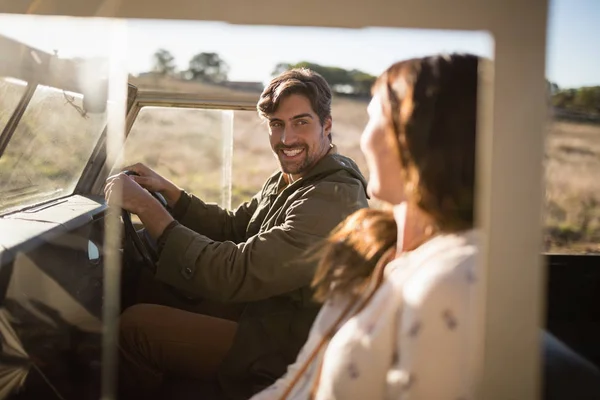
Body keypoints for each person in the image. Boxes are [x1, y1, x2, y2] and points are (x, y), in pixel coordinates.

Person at [250, 54, 600, 400]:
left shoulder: (454, 279)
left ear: (416, 139)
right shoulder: (375, 241)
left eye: (374, 116)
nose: (364, 137)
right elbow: (303, 376)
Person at [104, 68, 369, 399]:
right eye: (277, 124)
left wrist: (149, 209)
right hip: (266, 313)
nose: (286, 140)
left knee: (135, 328)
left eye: (301, 122)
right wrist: (170, 193)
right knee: (151, 286)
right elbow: (235, 227)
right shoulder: (293, 177)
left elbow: (237, 271)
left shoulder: (332, 198)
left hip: (283, 347)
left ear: (326, 125)